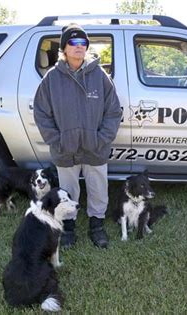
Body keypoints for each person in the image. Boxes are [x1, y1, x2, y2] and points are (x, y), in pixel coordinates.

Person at [33, 23, 122, 249]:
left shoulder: (99, 75)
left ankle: (97, 227)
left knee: (98, 189)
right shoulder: (52, 79)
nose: (79, 46)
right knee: (68, 190)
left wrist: (102, 139)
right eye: (73, 42)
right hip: (66, 150)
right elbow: (42, 113)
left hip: (95, 148)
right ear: (64, 48)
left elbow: (113, 111)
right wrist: (58, 141)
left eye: (83, 43)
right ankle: (69, 228)